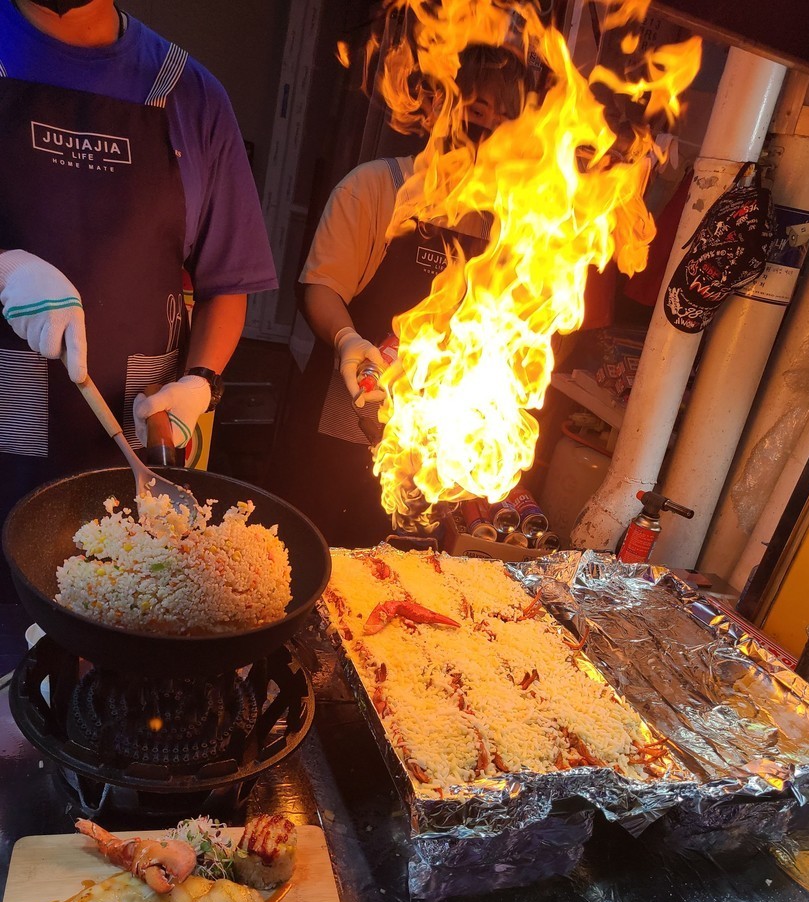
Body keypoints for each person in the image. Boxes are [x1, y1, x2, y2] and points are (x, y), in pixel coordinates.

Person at [0, 0, 277, 584]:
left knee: (119, 612)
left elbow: (227, 283)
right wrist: (4, 270)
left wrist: (200, 383)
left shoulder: (191, 95)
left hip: (133, 459)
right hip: (5, 443)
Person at [266, 45, 533, 548]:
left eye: (505, 119)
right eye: (477, 111)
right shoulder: (375, 187)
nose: (488, 129)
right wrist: (346, 338)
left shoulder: (510, 223)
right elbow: (322, 287)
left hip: (434, 450)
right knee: (312, 555)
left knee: (399, 574)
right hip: (343, 425)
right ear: (435, 105)